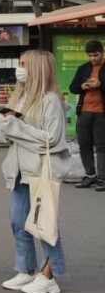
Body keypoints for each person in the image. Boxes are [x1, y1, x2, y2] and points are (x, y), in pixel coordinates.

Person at [0, 50, 70, 293]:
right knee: (19, 222)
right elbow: (5, 134)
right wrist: (4, 125)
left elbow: (52, 139)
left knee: (43, 222)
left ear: (38, 68)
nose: (20, 69)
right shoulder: (20, 97)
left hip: (40, 171)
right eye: (20, 63)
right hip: (18, 171)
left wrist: (15, 126)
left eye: (25, 64)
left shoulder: (50, 100)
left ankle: (49, 274)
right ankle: (25, 268)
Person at [67, 40, 105, 188]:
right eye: (90, 55)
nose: (93, 58)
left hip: (101, 113)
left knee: (102, 146)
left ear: (102, 52)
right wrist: (82, 86)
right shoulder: (83, 68)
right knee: (84, 144)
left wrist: (100, 84)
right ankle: (90, 175)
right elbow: (73, 87)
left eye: (96, 55)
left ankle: (102, 178)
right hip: (84, 112)